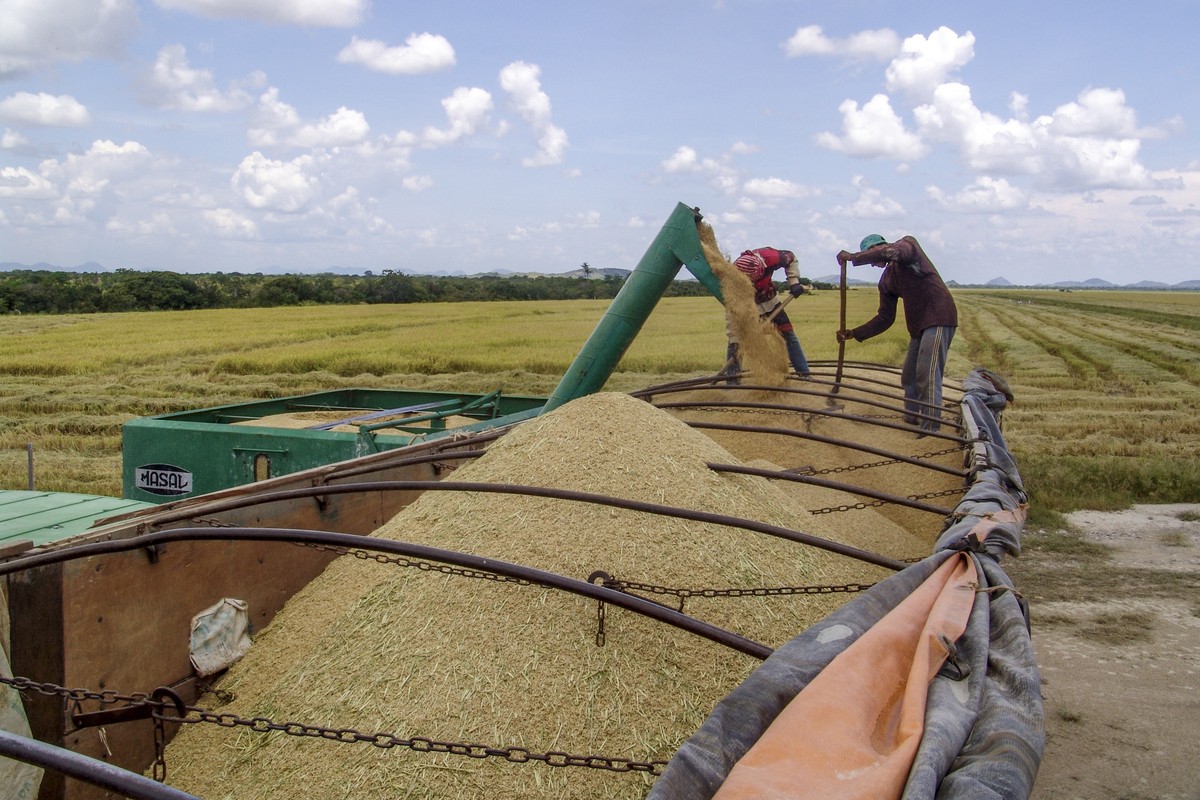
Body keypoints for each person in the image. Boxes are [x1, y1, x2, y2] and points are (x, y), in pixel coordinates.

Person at [836, 234, 957, 435]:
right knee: (909, 376)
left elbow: (891, 251)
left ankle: (931, 428)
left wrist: (854, 257)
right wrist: (854, 333)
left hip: (939, 317)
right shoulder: (887, 280)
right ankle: (912, 416)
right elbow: (885, 318)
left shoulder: (907, 248)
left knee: (927, 374)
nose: (874, 265)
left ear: (877, 248)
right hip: (918, 326)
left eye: (872, 258)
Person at [723, 247, 811, 381]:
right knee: (735, 342)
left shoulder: (770, 257)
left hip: (769, 300)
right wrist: (736, 337)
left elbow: (791, 258)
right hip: (745, 307)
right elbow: (732, 313)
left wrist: (794, 282)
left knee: (788, 334)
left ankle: (804, 374)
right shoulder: (731, 281)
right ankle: (732, 380)